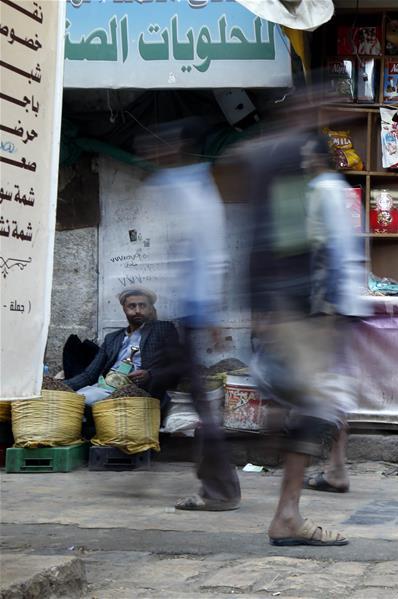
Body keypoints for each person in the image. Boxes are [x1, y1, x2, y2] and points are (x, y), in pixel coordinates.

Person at [243, 124, 368, 546]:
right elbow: (324, 254)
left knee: (317, 400)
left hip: (312, 311)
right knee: (318, 401)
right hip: (313, 313)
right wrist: (323, 318)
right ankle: (290, 512)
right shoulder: (316, 190)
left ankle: (300, 500)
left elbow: (322, 254)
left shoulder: (313, 190)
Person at [135, 119, 242, 512]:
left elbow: (211, 252)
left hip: (195, 309)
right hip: (186, 309)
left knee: (197, 395)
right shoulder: (171, 185)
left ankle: (221, 488)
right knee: (194, 394)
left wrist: (211, 313)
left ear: (171, 148)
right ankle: (218, 484)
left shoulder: (195, 187)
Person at [65, 288, 181, 405]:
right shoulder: (112, 338)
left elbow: (176, 366)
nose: (137, 310)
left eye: (142, 306)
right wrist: (62, 386)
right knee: (72, 398)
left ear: (150, 308)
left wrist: (150, 374)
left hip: (138, 391)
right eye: (132, 306)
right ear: (124, 309)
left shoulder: (162, 329)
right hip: (105, 387)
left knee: (81, 401)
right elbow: (90, 374)